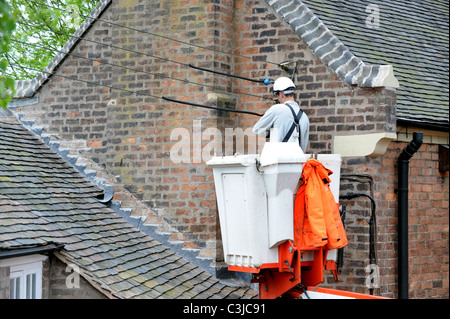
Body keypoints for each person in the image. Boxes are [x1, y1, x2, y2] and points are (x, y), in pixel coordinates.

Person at [252, 77, 309, 152]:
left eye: (277, 95)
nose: (277, 98)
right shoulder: (304, 117)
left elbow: (256, 130)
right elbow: (303, 146)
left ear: (281, 94)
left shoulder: (277, 109)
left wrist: (269, 133)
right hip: (298, 162)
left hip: (279, 161)